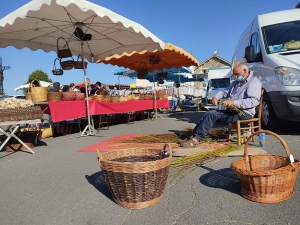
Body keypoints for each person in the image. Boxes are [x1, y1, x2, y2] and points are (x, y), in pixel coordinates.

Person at [179, 61, 262, 147]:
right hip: (233, 111)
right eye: (234, 75)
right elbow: (224, 92)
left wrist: (234, 102)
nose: (236, 77)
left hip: (244, 113)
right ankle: (193, 136)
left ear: (245, 71)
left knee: (212, 115)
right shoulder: (235, 83)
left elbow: (254, 101)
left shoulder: (254, 82)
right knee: (209, 114)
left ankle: (195, 140)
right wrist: (216, 97)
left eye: (237, 74)